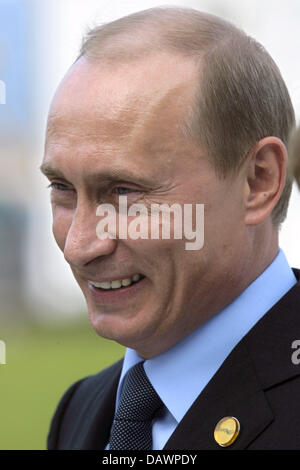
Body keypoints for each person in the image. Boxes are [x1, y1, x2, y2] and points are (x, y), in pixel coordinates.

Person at [41, 7, 300, 450]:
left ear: (258, 181)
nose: (80, 245)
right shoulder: (82, 410)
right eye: (62, 187)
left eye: (124, 191)